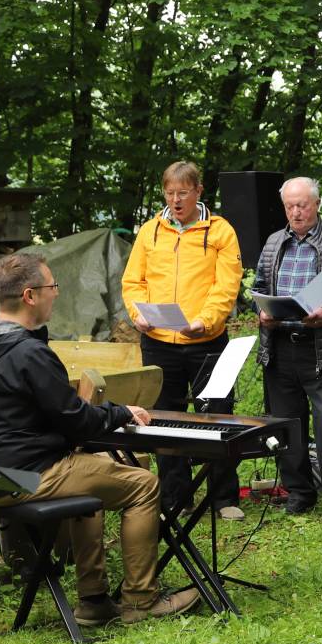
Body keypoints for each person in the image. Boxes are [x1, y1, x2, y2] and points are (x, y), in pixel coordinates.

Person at [0, 254, 200, 625]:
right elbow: (76, 420)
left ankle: (95, 602)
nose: (56, 294)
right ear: (29, 296)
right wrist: (121, 412)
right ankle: (140, 602)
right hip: (25, 476)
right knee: (144, 485)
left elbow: (27, 414)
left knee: (94, 475)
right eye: (52, 287)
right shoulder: (28, 353)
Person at [121, 161, 243, 521]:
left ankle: (224, 498)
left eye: (183, 193)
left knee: (217, 416)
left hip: (206, 341)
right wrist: (137, 315)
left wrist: (204, 322)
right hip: (158, 342)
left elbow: (226, 286)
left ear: (198, 192)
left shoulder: (220, 231)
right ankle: (176, 496)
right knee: (162, 419)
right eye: (170, 193)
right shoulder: (149, 232)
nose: (176, 200)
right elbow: (133, 282)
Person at [254, 176, 322, 520]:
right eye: (289, 206)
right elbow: (256, 288)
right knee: (286, 422)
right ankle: (299, 491)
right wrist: (262, 312)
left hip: (320, 346)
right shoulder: (272, 243)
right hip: (281, 344)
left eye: (302, 205)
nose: (296, 212)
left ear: (316, 204)